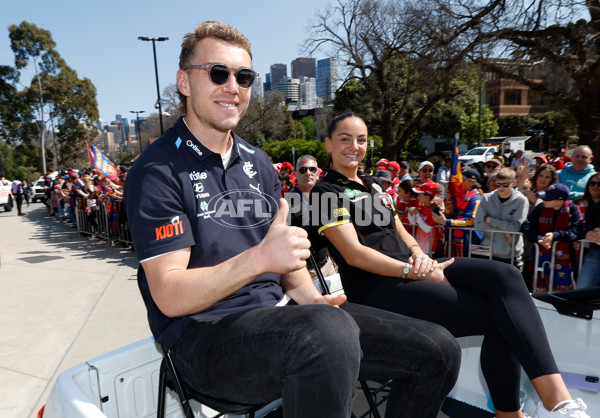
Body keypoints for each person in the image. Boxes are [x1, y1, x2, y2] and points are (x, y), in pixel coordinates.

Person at [124, 22, 460, 418]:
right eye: (218, 73)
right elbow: (170, 294)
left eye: (244, 77)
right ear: (184, 82)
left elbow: (285, 262)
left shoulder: (258, 162)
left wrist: (316, 301)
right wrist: (260, 260)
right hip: (202, 339)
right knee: (324, 334)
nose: (233, 87)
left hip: (286, 318)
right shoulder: (156, 170)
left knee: (439, 349)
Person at [311, 112, 589, 418]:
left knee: (506, 275)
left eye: (361, 139)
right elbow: (354, 254)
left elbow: (398, 229)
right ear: (328, 144)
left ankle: (558, 400)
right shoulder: (324, 193)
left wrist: (419, 254)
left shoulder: (373, 183)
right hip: (377, 288)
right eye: (345, 139)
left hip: (412, 268)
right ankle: (513, 414)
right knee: (501, 318)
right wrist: (413, 271)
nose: (354, 146)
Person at [521, 183, 585, 292]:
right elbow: (526, 226)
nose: (543, 199)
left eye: (548, 198)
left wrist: (555, 236)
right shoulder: (540, 207)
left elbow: (579, 231)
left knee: (563, 293)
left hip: (565, 258)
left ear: (560, 201)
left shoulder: (573, 209)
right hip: (541, 256)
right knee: (540, 291)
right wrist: (539, 238)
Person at [287, 154, 336, 278]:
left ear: (317, 172)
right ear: (295, 174)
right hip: (305, 271)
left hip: (328, 265)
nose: (308, 173)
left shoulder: (326, 195)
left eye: (312, 169)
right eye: (303, 170)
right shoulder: (286, 202)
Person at [474, 168, 529, 271]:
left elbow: (515, 228)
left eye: (505, 185)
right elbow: (478, 224)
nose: (501, 188)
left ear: (514, 183)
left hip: (510, 254)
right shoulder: (486, 198)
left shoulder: (522, 200)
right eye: (498, 184)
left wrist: (490, 220)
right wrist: (505, 231)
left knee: (510, 287)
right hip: (487, 251)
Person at [432, 167, 483, 257]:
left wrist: (446, 222)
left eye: (461, 180)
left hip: (469, 241)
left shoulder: (476, 198)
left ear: (472, 182)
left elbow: (470, 220)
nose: (457, 182)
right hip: (457, 239)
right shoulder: (459, 197)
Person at [574, 174, 600, 288]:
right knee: (582, 288)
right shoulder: (578, 204)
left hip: (595, 251)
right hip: (587, 252)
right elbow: (574, 227)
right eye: (592, 183)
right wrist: (586, 233)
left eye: (599, 184)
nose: (595, 186)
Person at [407, 181, 443, 256]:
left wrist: (417, 215)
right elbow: (413, 223)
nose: (417, 197)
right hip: (419, 243)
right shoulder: (422, 207)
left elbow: (427, 229)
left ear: (427, 197)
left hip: (428, 246)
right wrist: (411, 213)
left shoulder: (434, 209)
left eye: (420, 195)